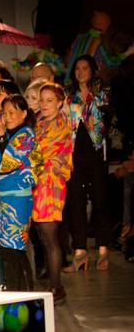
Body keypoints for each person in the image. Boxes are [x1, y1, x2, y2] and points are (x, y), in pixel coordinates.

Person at [0, 95, 37, 292]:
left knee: (13, 250)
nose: (7, 117)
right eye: (4, 113)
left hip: (17, 200)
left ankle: (22, 295)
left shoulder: (26, 134)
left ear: (24, 113)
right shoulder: (4, 135)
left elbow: (9, 162)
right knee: (6, 251)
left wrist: (0, 136)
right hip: (0, 200)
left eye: (12, 112)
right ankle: (20, 293)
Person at [63, 55, 111, 272]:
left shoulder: (101, 92)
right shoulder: (67, 94)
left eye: (85, 68)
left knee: (100, 199)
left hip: (95, 151)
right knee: (76, 202)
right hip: (74, 152)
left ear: (92, 70)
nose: (81, 72)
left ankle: (102, 248)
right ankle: (80, 250)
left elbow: (105, 117)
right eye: (78, 68)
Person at [32, 82, 74, 303]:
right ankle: (55, 287)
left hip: (50, 186)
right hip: (37, 184)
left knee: (49, 237)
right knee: (43, 238)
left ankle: (56, 288)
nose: (44, 104)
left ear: (60, 102)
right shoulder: (39, 123)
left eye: (49, 100)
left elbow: (39, 152)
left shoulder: (60, 124)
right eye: (42, 100)